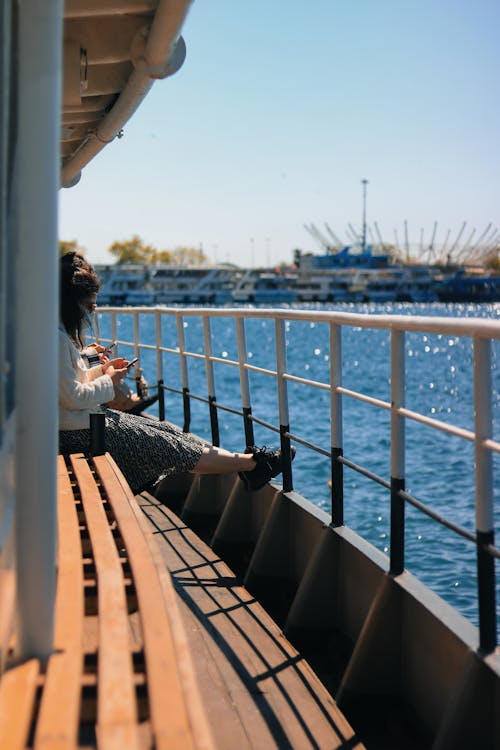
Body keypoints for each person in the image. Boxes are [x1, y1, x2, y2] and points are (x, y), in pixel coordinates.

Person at [58, 251, 293, 494]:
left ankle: (249, 464)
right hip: (76, 435)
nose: (92, 313)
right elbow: (73, 397)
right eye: (89, 307)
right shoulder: (56, 339)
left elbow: (70, 387)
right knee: (166, 446)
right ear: (70, 303)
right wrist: (109, 379)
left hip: (81, 426)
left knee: (167, 432)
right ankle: (253, 465)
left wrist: (102, 371)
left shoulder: (58, 336)